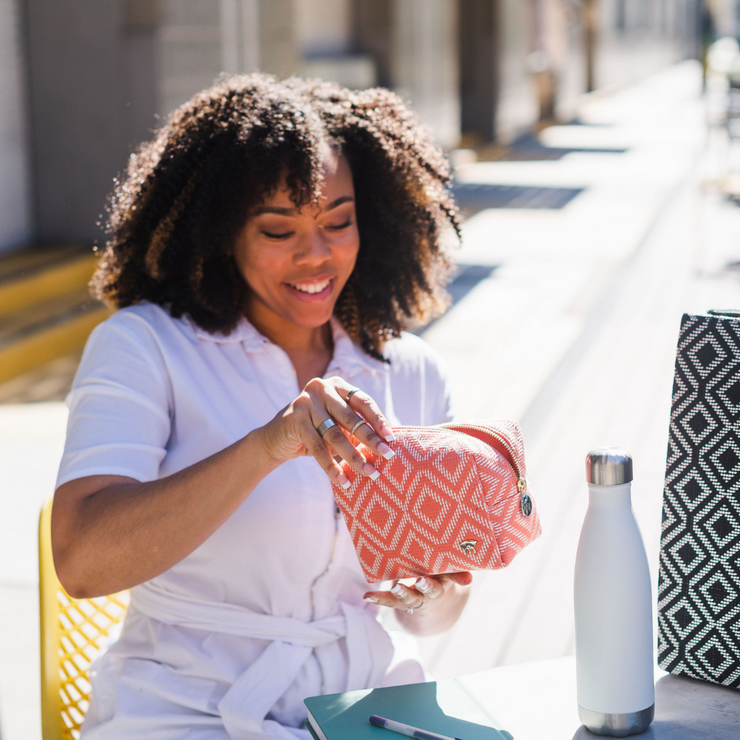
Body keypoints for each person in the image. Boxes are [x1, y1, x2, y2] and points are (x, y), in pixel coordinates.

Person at [51, 73, 472, 740]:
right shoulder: (145, 348)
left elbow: (433, 614)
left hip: (367, 709)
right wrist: (266, 447)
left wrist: (438, 593)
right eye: (279, 229)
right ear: (223, 234)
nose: (317, 254)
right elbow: (82, 561)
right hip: (184, 713)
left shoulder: (411, 374)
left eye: (339, 221)